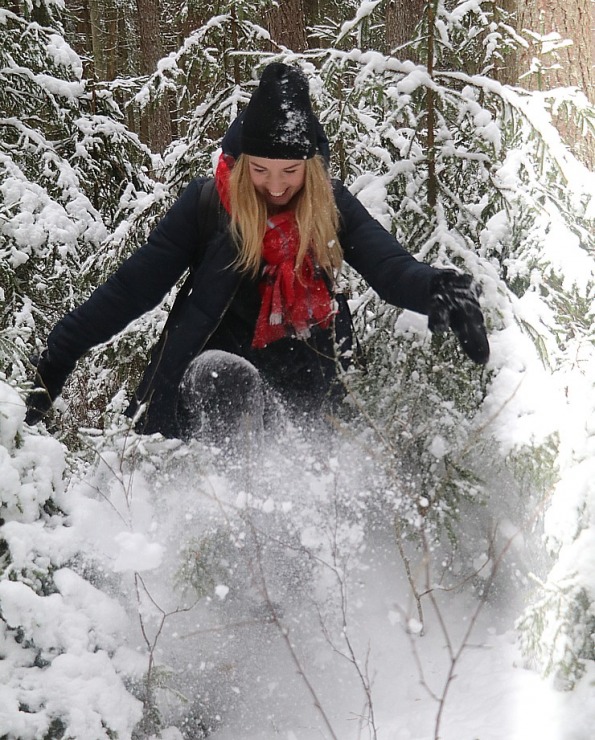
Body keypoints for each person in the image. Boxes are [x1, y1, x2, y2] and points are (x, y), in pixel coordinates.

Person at [25, 62, 489, 444]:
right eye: (262, 170)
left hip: (308, 388)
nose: (276, 185)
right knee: (224, 377)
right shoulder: (207, 206)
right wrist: (62, 351)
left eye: (290, 171)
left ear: (310, 165)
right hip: (208, 392)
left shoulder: (328, 204)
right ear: (244, 163)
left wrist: (439, 289)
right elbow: (132, 289)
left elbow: (388, 265)